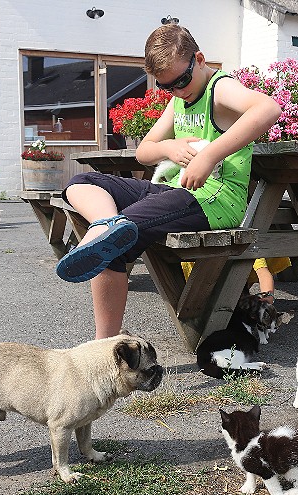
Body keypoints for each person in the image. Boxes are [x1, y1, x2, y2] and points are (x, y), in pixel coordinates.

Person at [55, 24, 281, 339]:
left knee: (118, 240)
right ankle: (103, 226)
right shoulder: (178, 101)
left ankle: (104, 343)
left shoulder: (220, 88)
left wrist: (208, 156)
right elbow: (145, 152)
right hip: (177, 192)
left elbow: (269, 108)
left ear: (199, 59)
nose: (177, 90)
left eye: (182, 81)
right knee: (82, 182)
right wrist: (168, 147)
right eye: (167, 87)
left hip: (214, 200)